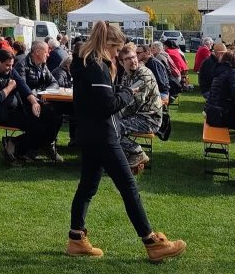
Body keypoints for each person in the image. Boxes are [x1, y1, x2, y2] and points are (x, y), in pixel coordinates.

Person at [68, 21, 185, 262]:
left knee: (87, 187)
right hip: (103, 136)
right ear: (108, 45)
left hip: (88, 134)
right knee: (129, 188)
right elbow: (108, 106)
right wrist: (128, 92)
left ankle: (76, 238)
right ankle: (151, 242)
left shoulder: (83, 63)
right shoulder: (97, 67)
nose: (116, 55)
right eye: (116, 50)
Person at [0, 48, 63, 164]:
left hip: (17, 109)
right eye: (7, 65)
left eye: (11, 65)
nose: (10, 68)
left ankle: (22, 146)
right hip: (1, 113)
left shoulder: (11, 71)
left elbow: (22, 85)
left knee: (53, 115)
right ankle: (15, 147)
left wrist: (34, 102)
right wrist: (10, 87)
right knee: (38, 128)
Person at [117, 43, 163, 171]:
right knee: (109, 125)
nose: (133, 61)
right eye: (128, 59)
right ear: (121, 62)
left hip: (149, 119)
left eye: (134, 57)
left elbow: (135, 103)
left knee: (113, 128)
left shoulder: (144, 74)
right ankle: (123, 158)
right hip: (137, 116)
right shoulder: (127, 75)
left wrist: (114, 114)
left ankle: (137, 152)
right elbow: (122, 98)